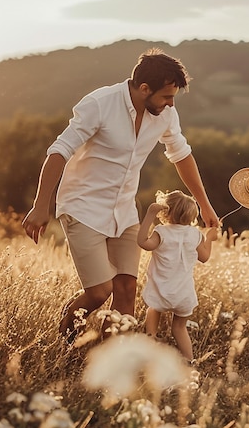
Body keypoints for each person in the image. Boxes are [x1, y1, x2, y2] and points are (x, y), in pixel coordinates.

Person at [22, 48, 219, 341]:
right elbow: (59, 151)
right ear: (143, 88)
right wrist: (41, 206)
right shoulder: (100, 104)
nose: (170, 103)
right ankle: (62, 343)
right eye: (166, 96)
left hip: (125, 210)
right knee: (100, 292)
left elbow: (181, 155)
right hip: (82, 206)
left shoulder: (166, 114)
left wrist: (204, 205)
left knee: (127, 289)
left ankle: (113, 364)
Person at [137, 190, 218, 361]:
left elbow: (143, 242)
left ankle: (149, 355)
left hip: (160, 292)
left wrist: (150, 214)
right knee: (179, 329)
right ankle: (189, 361)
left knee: (153, 312)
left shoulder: (162, 232)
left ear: (166, 211)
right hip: (184, 294)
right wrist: (209, 238)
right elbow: (204, 258)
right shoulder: (195, 234)